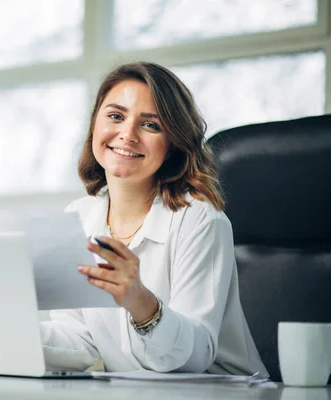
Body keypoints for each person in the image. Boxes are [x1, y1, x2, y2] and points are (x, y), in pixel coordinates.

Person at [40, 61, 268, 376]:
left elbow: (195, 358)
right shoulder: (80, 215)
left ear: (173, 144)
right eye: (116, 116)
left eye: (150, 125)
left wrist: (141, 303)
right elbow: (81, 339)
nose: (127, 135)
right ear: (95, 123)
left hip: (215, 392)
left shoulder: (200, 219)